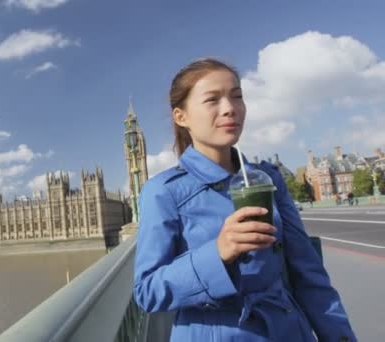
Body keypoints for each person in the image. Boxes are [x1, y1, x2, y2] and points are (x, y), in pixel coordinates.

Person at [133, 58, 356, 341]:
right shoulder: (163, 192)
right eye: (212, 99)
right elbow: (147, 292)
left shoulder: (268, 179)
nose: (230, 108)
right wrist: (218, 253)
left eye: (237, 96)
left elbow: (309, 276)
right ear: (181, 116)